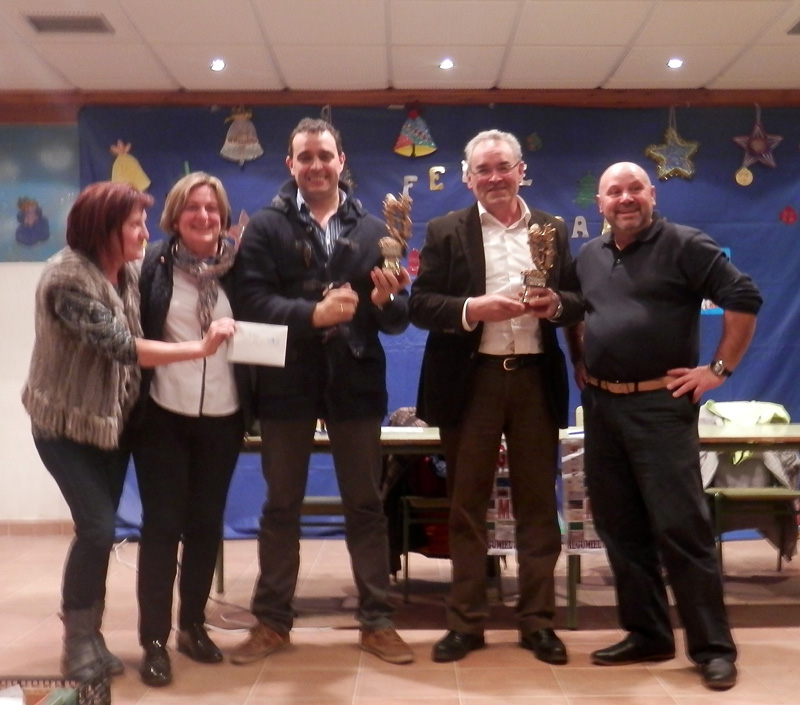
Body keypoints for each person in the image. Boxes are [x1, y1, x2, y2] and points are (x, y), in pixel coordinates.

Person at [21, 181, 235, 681]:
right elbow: (121, 345)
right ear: (104, 230)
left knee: (101, 532)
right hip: (64, 425)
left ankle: (95, 635)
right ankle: (79, 638)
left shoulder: (131, 271)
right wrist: (200, 349)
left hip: (114, 424)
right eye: (135, 225)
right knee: (99, 527)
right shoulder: (67, 278)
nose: (145, 233)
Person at [569, 161, 762, 691]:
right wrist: (579, 359)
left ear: (652, 194)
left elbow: (744, 297)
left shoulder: (685, 245)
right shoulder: (589, 255)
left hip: (660, 407)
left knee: (681, 529)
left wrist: (718, 370)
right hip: (602, 408)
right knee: (619, 528)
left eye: (634, 188)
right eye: (614, 191)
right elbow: (575, 313)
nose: (625, 198)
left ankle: (713, 648)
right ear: (600, 204)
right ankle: (648, 634)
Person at [230, 117, 414, 665]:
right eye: (305, 157)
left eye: (325, 155)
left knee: (366, 505)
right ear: (290, 164)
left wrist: (385, 300)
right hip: (285, 382)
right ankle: (271, 623)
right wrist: (313, 314)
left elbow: (396, 319)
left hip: (355, 382)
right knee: (281, 506)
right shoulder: (265, 227)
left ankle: (378, 622)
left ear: (341, 161)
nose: (316, 165)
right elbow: (250, 302)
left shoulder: (375, 230)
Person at [409, 129, 582, 664]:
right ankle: (466, 623)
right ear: (468, 178)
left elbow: (578, 300)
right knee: (466, 508)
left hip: (533, 379)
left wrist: (556, 305)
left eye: (503, 166)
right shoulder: (445, 231)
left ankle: (538, 623)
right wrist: (472, 309)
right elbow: (420, 304)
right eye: (482, 170)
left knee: (538, 506)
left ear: (521, 170)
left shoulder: (550, 229)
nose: (494, 177)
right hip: (471, 382)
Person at [132, 173, 252, 687]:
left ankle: (193, 626)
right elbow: (136, 337)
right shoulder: (152, 266)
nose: (204, 216)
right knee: (162, 526)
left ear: (223, 217)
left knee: (206, 525)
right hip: (163, 413)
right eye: (193, 208)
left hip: (224, 416)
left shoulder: (241, 268)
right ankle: (154, 640)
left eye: (212, 208)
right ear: (175, 216)